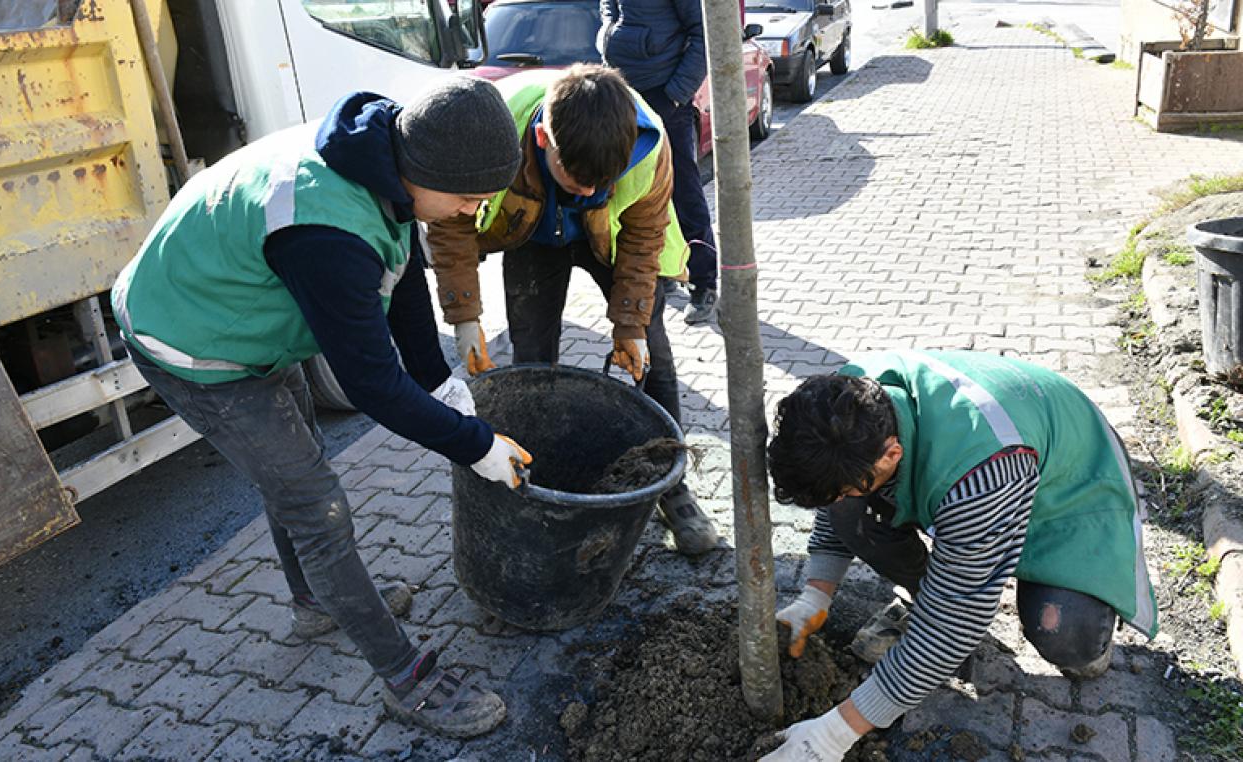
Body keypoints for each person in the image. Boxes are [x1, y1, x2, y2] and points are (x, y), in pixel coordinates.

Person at [110, 77, 532, 739]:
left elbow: (400, 273)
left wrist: (441, 381)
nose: (469, 215)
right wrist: (473, 444)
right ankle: (405, 677)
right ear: (422, 171)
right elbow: (372, 387)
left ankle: (313, 600)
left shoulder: (381, 155)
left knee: (298, 458)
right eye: (468, 198)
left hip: (240, 310)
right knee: (316, 503)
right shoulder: (326, 230)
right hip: (191, 339)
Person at [762, 350, 1158, 761]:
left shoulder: (981, 473)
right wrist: (815, 596)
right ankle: (933, 600)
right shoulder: (846, 404)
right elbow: (835, 498)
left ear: (892, 454)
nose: (840, 499)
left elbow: (957, 619)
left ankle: (1086, 630)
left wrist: (833, 733)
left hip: (1070, 491)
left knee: (1063, 633)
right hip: (994, 468)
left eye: (845, 488)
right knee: (855, 503)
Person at [426, 64, 719, 556]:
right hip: (533, 236)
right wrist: (465, 318)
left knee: (654, 358)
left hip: (614, 236)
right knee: (533, 356)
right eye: (577, 179)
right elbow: (450, 225)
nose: (588, 192)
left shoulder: (650, 147)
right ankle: (532, 475)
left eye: (601, 181)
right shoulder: (495, 131)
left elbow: (645, 238)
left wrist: (630, 326)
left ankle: (672, 487)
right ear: (543, 138)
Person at [598, 0, 720, 325]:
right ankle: (663, 270)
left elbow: (704, 34)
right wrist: (608, 32)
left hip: (666, 96)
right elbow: (609, 6)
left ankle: (704, 283)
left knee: (683, 192)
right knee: (637, 189)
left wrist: (676, 94)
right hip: (625, 92)